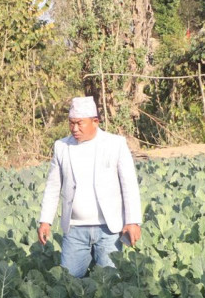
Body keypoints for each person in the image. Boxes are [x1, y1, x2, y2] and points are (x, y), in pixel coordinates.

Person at [37, 96, 142, 277]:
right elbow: (53, 187)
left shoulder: (115, 144)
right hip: (75, 229)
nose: (75, 129)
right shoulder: (61, 146)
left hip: (109, 229)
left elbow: (129, 185)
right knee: (68, 282)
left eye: (80, 123)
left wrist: (132, 221)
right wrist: (45, 220)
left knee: (110, 284)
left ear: (95, 121)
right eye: (71, 123)